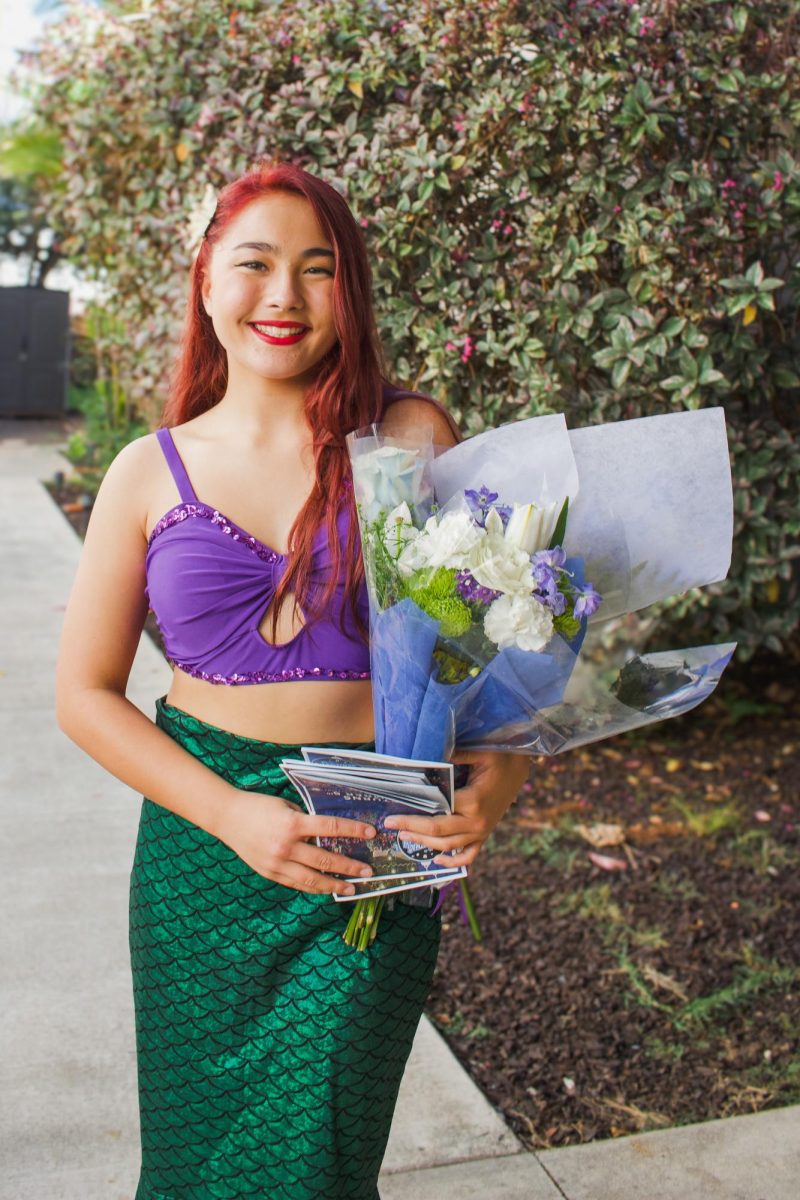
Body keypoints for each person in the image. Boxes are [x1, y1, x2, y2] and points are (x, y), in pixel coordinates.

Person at [55, 161, 530, 1200]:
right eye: (256, 264)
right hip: (200, 857)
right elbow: (84, 695)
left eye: (319, 269)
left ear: (348, 292)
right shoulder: (147, 470)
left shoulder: (409, 437)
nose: (285, 296)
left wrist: (492, 787)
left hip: (370, 837)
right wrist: (233, 815)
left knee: (315, 1162)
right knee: (192, 1166)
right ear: (205, 282)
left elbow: (491, 654)